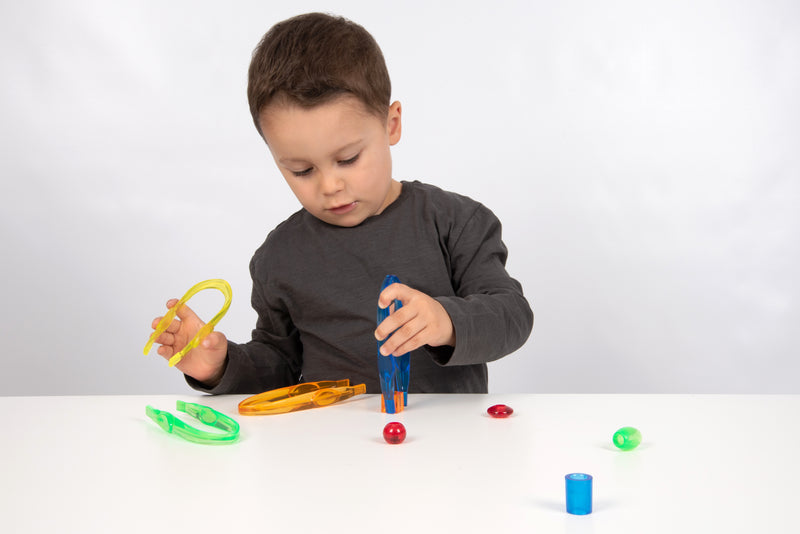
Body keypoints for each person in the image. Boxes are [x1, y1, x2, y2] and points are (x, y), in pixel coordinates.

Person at [149, 12, 533, 394]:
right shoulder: (278, 257)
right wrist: (220, 366)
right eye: (301, 170)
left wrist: (445, 320)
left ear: (391, 124)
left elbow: (512, 316)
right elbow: (280, 365)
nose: (330, 186)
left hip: (451, 446)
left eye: (348, 159)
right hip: (329, 445)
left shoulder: (456, 222)